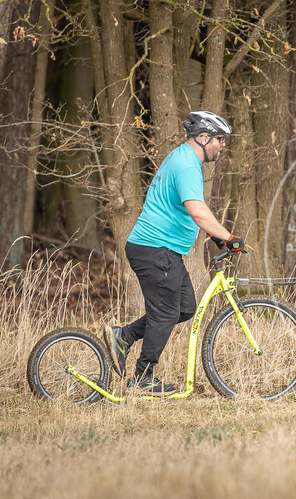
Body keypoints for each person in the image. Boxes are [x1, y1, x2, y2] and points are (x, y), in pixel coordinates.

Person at [105, 110, 244, 395]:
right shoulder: (187, 166)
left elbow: (182, 208)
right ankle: (142, 380)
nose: (223, 145)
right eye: (220, 139)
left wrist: (214, 235)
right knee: (166, 313)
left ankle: (125, 336)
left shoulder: (182, 158)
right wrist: (228, 238)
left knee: (184, 308)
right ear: (203, 138)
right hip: (155, 249)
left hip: (160, 250)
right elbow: (197, 210)